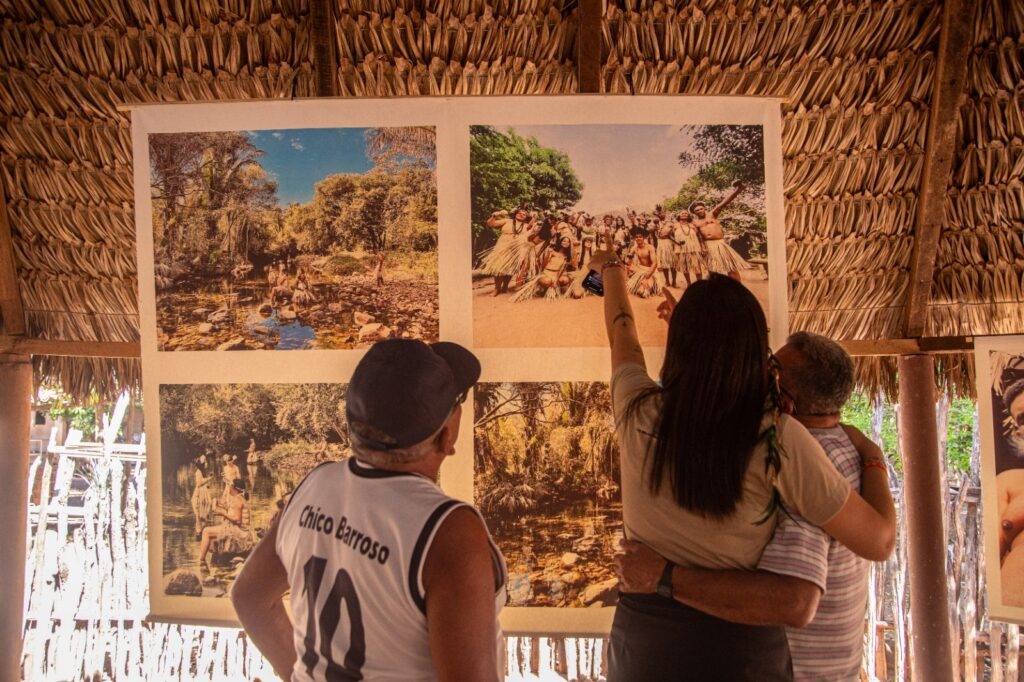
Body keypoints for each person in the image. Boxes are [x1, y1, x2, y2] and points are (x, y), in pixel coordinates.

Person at [588, 236, 896, 681]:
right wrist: (872, 457)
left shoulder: (635, 408)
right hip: (741, 657)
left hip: (645, 650)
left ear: (677, 346)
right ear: (754, 355)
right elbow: (879, 542)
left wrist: (611, 267)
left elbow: (622, 331)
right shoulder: (779, 439)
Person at [231, 339, 506, 681]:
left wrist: (297, 674)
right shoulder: (449, 531)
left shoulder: (314, 486)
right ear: (446, 435)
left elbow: (250, 597)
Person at [691, 181, 750, 280]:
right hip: (708, 246)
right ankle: (715, 292)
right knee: (712, 270)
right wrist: (702, 247)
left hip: (721, 244)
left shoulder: (712, 214)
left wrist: (738, 190)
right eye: (697, 210)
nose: (699, 211)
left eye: (701, 209)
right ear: (694, 213)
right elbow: (698, 237)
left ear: (704, 208)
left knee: (731, 268)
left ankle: (737, 290)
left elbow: (725, 202)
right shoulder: (695, 223)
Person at [199, 478, 252, 568]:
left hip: (239, 532)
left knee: (206, 531)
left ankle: (202, 562)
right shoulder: (239, 498)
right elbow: (231, 509)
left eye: (230, 486)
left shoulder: (238, 500)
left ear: (235, 489)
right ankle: (215, 563)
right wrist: (218, 504)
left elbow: (238, 521)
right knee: (211, 532)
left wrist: (222, 513)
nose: (229, 488)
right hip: (240, 530)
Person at [479, 209, 529, 296]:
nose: (521, 215)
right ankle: (497, 289)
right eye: (519, 213)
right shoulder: (507, 221)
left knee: (510, 268)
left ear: (526, 217)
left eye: (524, 214)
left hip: (516, 249)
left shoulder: (526, 226)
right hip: (502, 247)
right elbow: (491, 224)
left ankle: (505, 286)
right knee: (498, 267)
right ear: (515, 214)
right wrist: (494, 216)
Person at [673, 211, 706, 287]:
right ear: (679, 215)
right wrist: (676, 244)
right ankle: (689, 284)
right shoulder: (675, 225)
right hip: (681, 249)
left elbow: (699, 236)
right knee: (685, 267)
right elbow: (671, 236)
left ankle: (700, 283)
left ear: (688, 216)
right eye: (682, 213)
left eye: (686, 213)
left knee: (697, 266)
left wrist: (702, 246)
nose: (684, 214)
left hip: (694, 248)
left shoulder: (693, 225)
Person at [625, 229, 660, 298]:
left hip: (651, 270)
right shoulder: (634, 248)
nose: (638, 238)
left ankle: (646, 288)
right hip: (640, 270)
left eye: (640, 237)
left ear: (643, 238)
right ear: (635, 239)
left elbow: (654, 263)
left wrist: (647, 275)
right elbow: (628, 263)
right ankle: (641, 287)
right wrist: (630, 257)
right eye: (637, 237)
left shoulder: (650, 247)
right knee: (632, 289)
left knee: (644, 292)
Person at [191, 454, 213, 539]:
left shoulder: (201, 471)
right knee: (200, 507)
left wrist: (208, 481)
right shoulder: (198, 472)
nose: (206, 464)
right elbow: (199, 483)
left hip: (203, 490)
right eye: (204, 463)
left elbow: (203, 481)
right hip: (200, 491)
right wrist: (209, 479)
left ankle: (204, 513)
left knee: (204, 507)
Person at [655, 218, 676, 288]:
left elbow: (674, 235)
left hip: (669, 243)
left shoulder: (670, 224)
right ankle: (667, 281)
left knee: (672, 264)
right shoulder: (657, 225)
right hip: (660, 244)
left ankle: (674, 281)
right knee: (664, 264)